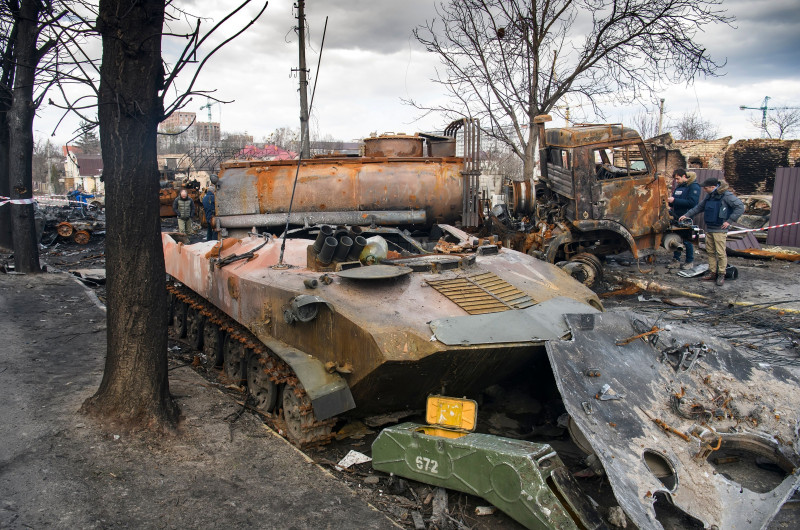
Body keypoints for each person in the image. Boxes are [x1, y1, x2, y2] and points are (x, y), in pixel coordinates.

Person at [680, 177, 744, 286]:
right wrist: (686, 215)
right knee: (710, 251)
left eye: (705, 188)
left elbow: (740, 207)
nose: (704, 190)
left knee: (720, 253)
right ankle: (712, 272)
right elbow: (699, 207)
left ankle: (721, 274)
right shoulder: (710, 196)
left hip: (720, 229)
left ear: (713, 187)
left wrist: (729, 221)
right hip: (709, 228)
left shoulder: (726, 196)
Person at [667, 169, 700, 270]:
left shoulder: (694, 187)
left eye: (678, 178)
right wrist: (670, 202)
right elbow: (675, 200)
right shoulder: (679, 187)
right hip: (676, 216)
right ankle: (676, 260)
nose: (676, 181)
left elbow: (692, 203)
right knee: (676, 238)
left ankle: (689, 261)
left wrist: (675, 200)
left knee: (686, 240)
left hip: (686, 216)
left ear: (684, 176)